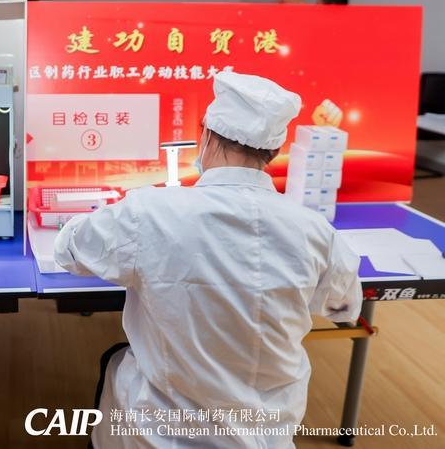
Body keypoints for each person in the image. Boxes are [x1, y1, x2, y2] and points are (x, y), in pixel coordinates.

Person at [55, 71, 362, 448]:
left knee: (116, 360)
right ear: (274, 153)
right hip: (265, 434)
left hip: (162, 433)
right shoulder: (313, 230)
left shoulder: (149, 211)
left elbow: (70, 250)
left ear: (207, 137)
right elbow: (344, 306)